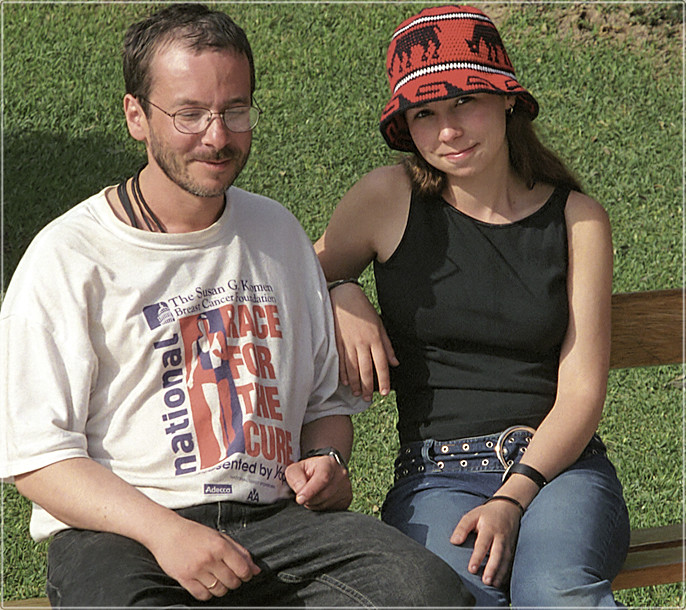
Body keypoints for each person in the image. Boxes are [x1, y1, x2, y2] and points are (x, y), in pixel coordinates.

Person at [0, 4, 474, 607]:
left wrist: (326, 458)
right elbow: (39, 458)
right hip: (125, 532)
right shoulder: (70, 256)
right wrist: (167, 534)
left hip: (275, 524)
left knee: (425, 593)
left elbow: (325, 406)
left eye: (235, 110)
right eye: (189, 114)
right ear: (136, 116)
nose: (218, 136)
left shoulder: (275, 232)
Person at [315, 5, 630, 608]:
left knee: (556, 591)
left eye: (465, 102)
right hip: (436, 476)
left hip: (558, 470)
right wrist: (340, 290)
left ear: (507, 99)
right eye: (425, 114)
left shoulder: (577, 220)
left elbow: (582, 392)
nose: (448, 131)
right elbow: (289, 279)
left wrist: (513, 496)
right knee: (455, 598)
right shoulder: (389, 198)